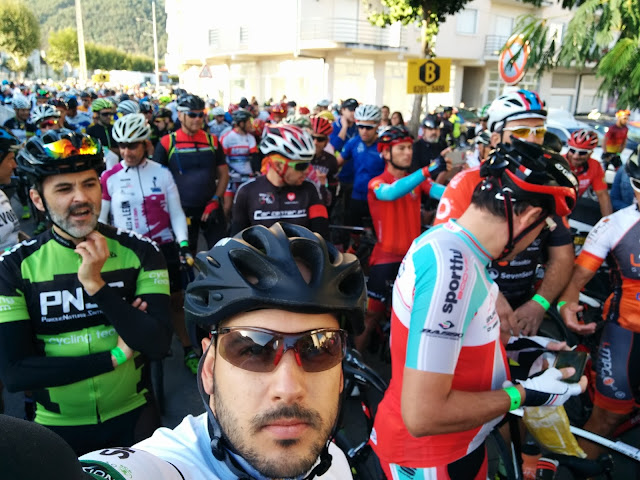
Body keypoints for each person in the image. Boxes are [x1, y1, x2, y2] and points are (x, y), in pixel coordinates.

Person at [371, 139, 584, 479]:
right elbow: (423, 414)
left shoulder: (456, 247)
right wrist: (526, 394)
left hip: (460, 444)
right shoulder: (451, 267)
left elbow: (456, 341)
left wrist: (523, 349)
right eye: (544, 228)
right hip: (431, 457)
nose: (537, 239)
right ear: (529, 216)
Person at [0, 130, 172, 455]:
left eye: (89, 184)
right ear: (37, 199)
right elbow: (16, 373)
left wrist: (96, 285)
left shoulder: (142, 252)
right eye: (64, 188)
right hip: (55, 426)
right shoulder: (13, 267)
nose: (81, 198)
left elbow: (158, 343)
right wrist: (113, 357)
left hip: (134, 416)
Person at [435, 89, 576, 337]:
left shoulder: (546, 187)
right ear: (495, 138)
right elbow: (445, 252)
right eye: (521, 131)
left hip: (523, 309)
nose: (532, 140)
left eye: (539, 131)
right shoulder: (466, 182)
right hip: (469, 307)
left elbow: (563, 255)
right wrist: (490, 294)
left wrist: (539, 303)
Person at [100, 114, 199, 374]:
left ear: (145, 144)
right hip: (127, 251)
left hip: (162, 247)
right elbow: (100, 219)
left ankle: (188, 349)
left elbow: (176, 213)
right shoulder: (109, 177)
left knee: (175, 301)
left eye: (132, 145)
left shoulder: (162, 173)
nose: (126, 152)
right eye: (122, 146)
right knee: (130, 304)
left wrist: (183, 243)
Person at [559, 148, 640, 460]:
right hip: (627, 335)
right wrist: (567, 306)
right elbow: (576, 280)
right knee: (605, 420)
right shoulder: (616, 225)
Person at [355, 126, 445, 352]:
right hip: (385, 260)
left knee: (416, 318)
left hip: (413, 260)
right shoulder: (376, 182)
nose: (408, 153)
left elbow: (446, 194)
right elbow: (391, 193)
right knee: (370, 317)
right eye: (401, 148)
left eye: (409, 148)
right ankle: (351, 368)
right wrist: (428, 170)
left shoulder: (417, 181)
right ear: (386, 153)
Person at [153, 94, 229, 252]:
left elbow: (223, 174)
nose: (198, 119)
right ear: (180, 115)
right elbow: (157, 179)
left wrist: (216, 199)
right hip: (181, 210)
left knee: (221, 253)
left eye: (201, 115)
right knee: (186, 256)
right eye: (192, 115)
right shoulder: (167, 142)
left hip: (211, 206)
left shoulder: (212, 141)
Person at [231, 125, 329, 238]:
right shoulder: (246, 191)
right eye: (301, 166)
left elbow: (322, 235)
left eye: (308, 164)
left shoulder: (310, 189)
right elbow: (236, 240)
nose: (307, 171)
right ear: (278, 165)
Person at [340, 104, 385, 229]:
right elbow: (337, 163)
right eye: (360, 126)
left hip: (379, 197)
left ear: (377, 125)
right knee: (354, 231)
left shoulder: (385, 145)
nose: (364, 131)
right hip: (357, 196)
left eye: (369, 127)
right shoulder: (353, 142)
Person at [220, 108, 258, 219]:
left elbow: (254, 157)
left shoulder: (250, 138)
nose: (251, 125)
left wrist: (256, 171)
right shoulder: (227, 137)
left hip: (247, 177)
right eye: (248, 122)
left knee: (249, 206)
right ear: (241, 123)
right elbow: (222, 159)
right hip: (231, 177)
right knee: (227, 206)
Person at [565, 129, 612, 217]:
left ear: (591, 153)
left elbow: (603, 196)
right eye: (572, 150)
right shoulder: (559, 161)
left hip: (571, 205)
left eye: (582, 153)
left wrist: (608, 221)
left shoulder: (595, 166)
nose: (575, 156)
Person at [411, 114, 453, 184]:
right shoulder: (416, 147)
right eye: (430, 129)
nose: (434, 132)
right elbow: (415, 175)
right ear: (424, 130)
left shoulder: (442, 145)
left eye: (436, 129)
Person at [309, 115, 339, 209]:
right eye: (312, 137)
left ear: (326, 142)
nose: (315, 142)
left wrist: (323, 184)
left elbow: (333, 190)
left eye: (320, 139)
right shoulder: (298, 157)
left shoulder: (331, 160)